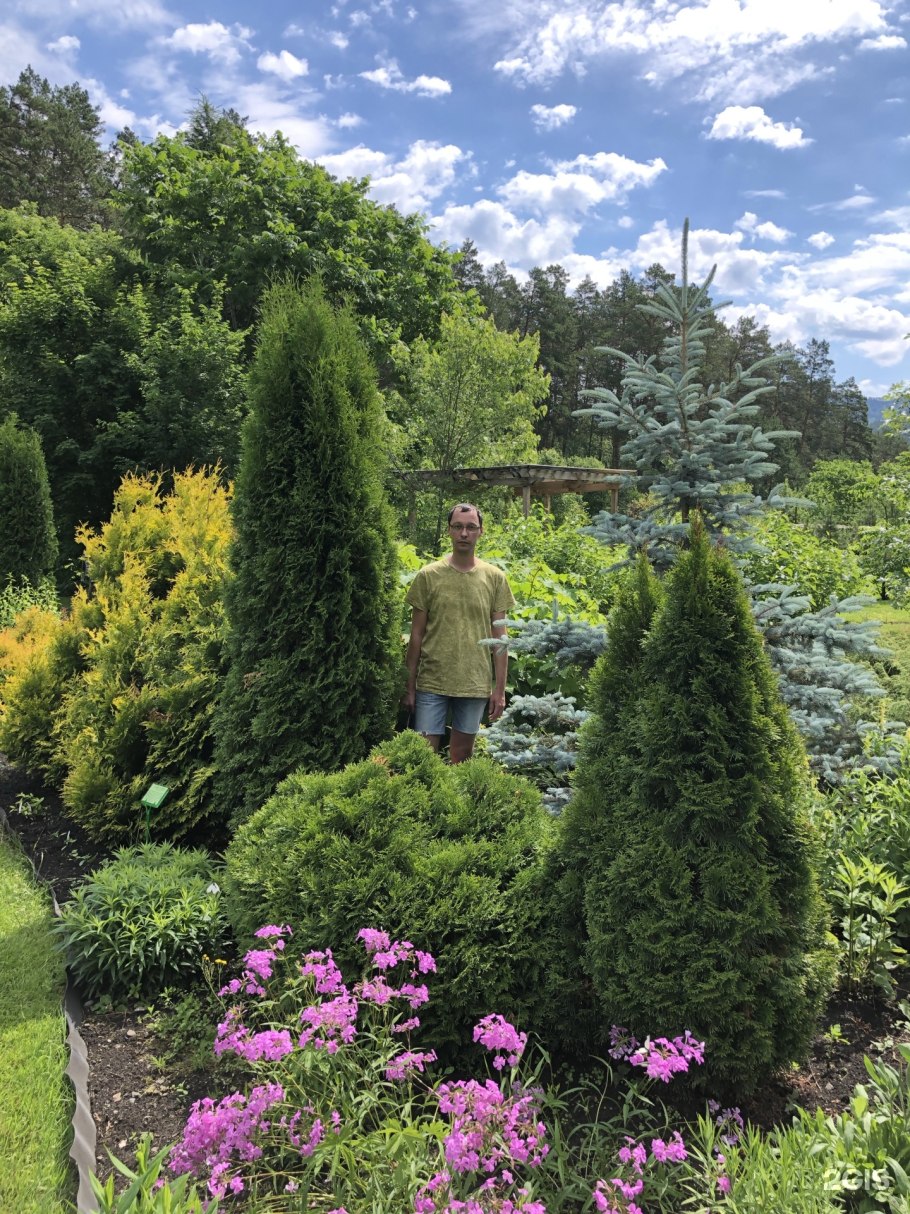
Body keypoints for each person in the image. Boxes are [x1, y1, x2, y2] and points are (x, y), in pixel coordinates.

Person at [403, 502, 515, 762]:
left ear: (481, 531)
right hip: (432, 682)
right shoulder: (428, 576)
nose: (464, 533)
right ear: (449, 531)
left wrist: (499, 690)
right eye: (458, 527)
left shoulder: (494, 578)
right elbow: (416, 636)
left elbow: (500, 639)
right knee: (424, 757)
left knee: (462, 756)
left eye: (471, 527)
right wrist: (409, 687)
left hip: (474, 683)